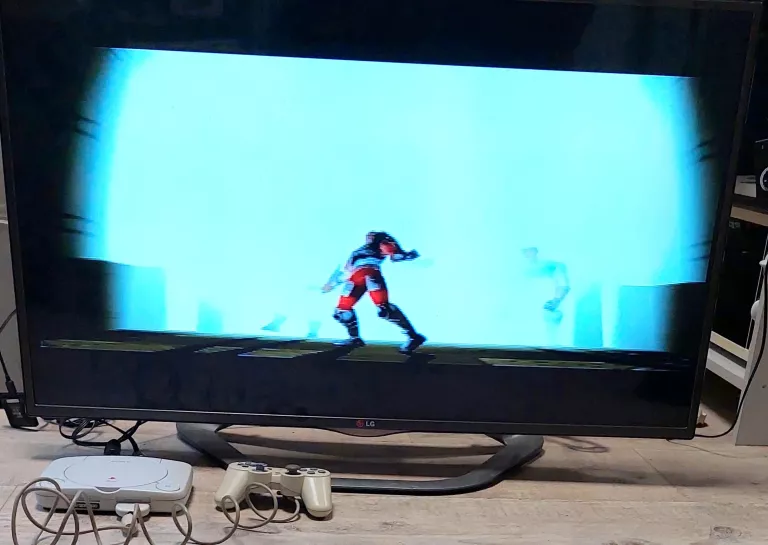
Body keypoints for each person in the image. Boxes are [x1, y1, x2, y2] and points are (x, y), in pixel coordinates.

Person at [322, 231, 427, 354]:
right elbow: (346, 272)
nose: (369, 236)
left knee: (384, 309)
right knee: (342, 310)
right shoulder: (357, 252)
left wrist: (405, 254)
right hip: (356, 277)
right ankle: (354, 338)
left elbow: (393, 252)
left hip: (369, 273)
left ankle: (413, 336)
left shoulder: (378, 243)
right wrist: (332, 284)